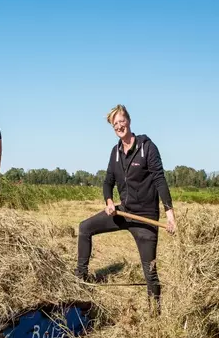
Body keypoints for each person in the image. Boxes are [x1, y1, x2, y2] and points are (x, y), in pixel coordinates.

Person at [75, 104, 176, 313]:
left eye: (122, 121)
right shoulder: (116, 152)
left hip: (145, 218)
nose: (119, 126)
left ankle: (155, 315)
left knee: (150, 271)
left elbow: (160, 180)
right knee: (85, 228)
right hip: (123, 212)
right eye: (115, 124)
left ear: (129, 121)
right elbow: (107, 182)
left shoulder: (147, 147)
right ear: (113, 128)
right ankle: (79, 280)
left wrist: (170, 215)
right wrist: (109, 202)